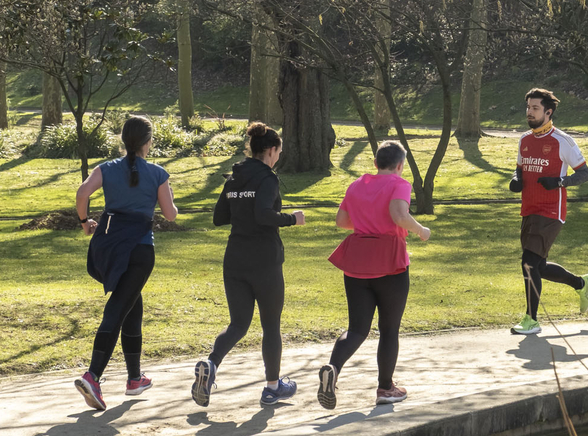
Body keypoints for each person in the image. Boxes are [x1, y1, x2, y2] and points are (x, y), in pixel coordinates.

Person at [192, 122, 306, 407]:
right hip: (264, 261)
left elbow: (219, 217)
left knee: (239, 323)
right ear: (271, 150)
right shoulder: (268, 178)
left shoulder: (234, 177)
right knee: (270, 325)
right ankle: (272, 387)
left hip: (235, 259)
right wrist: (293, 218)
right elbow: (264, 215)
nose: (279, 156)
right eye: (279, 151)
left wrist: (241, 207)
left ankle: (211, 364)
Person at [74, 115, 177, 411]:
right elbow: (170, 215)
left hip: (108, 247)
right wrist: (173, 201)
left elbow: (82, 194)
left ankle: (135, 378)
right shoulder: (158, 173)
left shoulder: (106, 169)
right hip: (140, 250)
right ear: (148, 142)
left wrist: (84, 222)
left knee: (132, 303)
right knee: (119, 306)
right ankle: (93, 376)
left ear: (124, 140)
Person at [317, 140, 431, 409]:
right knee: (389, 329)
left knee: (357, 329)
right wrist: (420, 230)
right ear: (400, 165)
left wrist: (367, 220)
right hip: (389, 260)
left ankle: (332, 370)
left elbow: (342, 221)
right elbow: (398, 215)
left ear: (376, 163)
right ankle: (385, 388)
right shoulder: (399, 184)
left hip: (357, 260)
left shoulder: (357, 185)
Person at [509, 88, 588, 335]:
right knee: (539, 266)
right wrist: (516, 179)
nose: (530, 112)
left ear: (548, 112)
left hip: (550, 211)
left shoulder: (563, 141)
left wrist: (559, 182)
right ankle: (582, 283)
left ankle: (531, 320)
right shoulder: (524, 139)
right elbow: (519, 169)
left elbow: (584, 174)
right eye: (528, 107)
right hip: (529, 209)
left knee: (528, 263)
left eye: (535, 108)